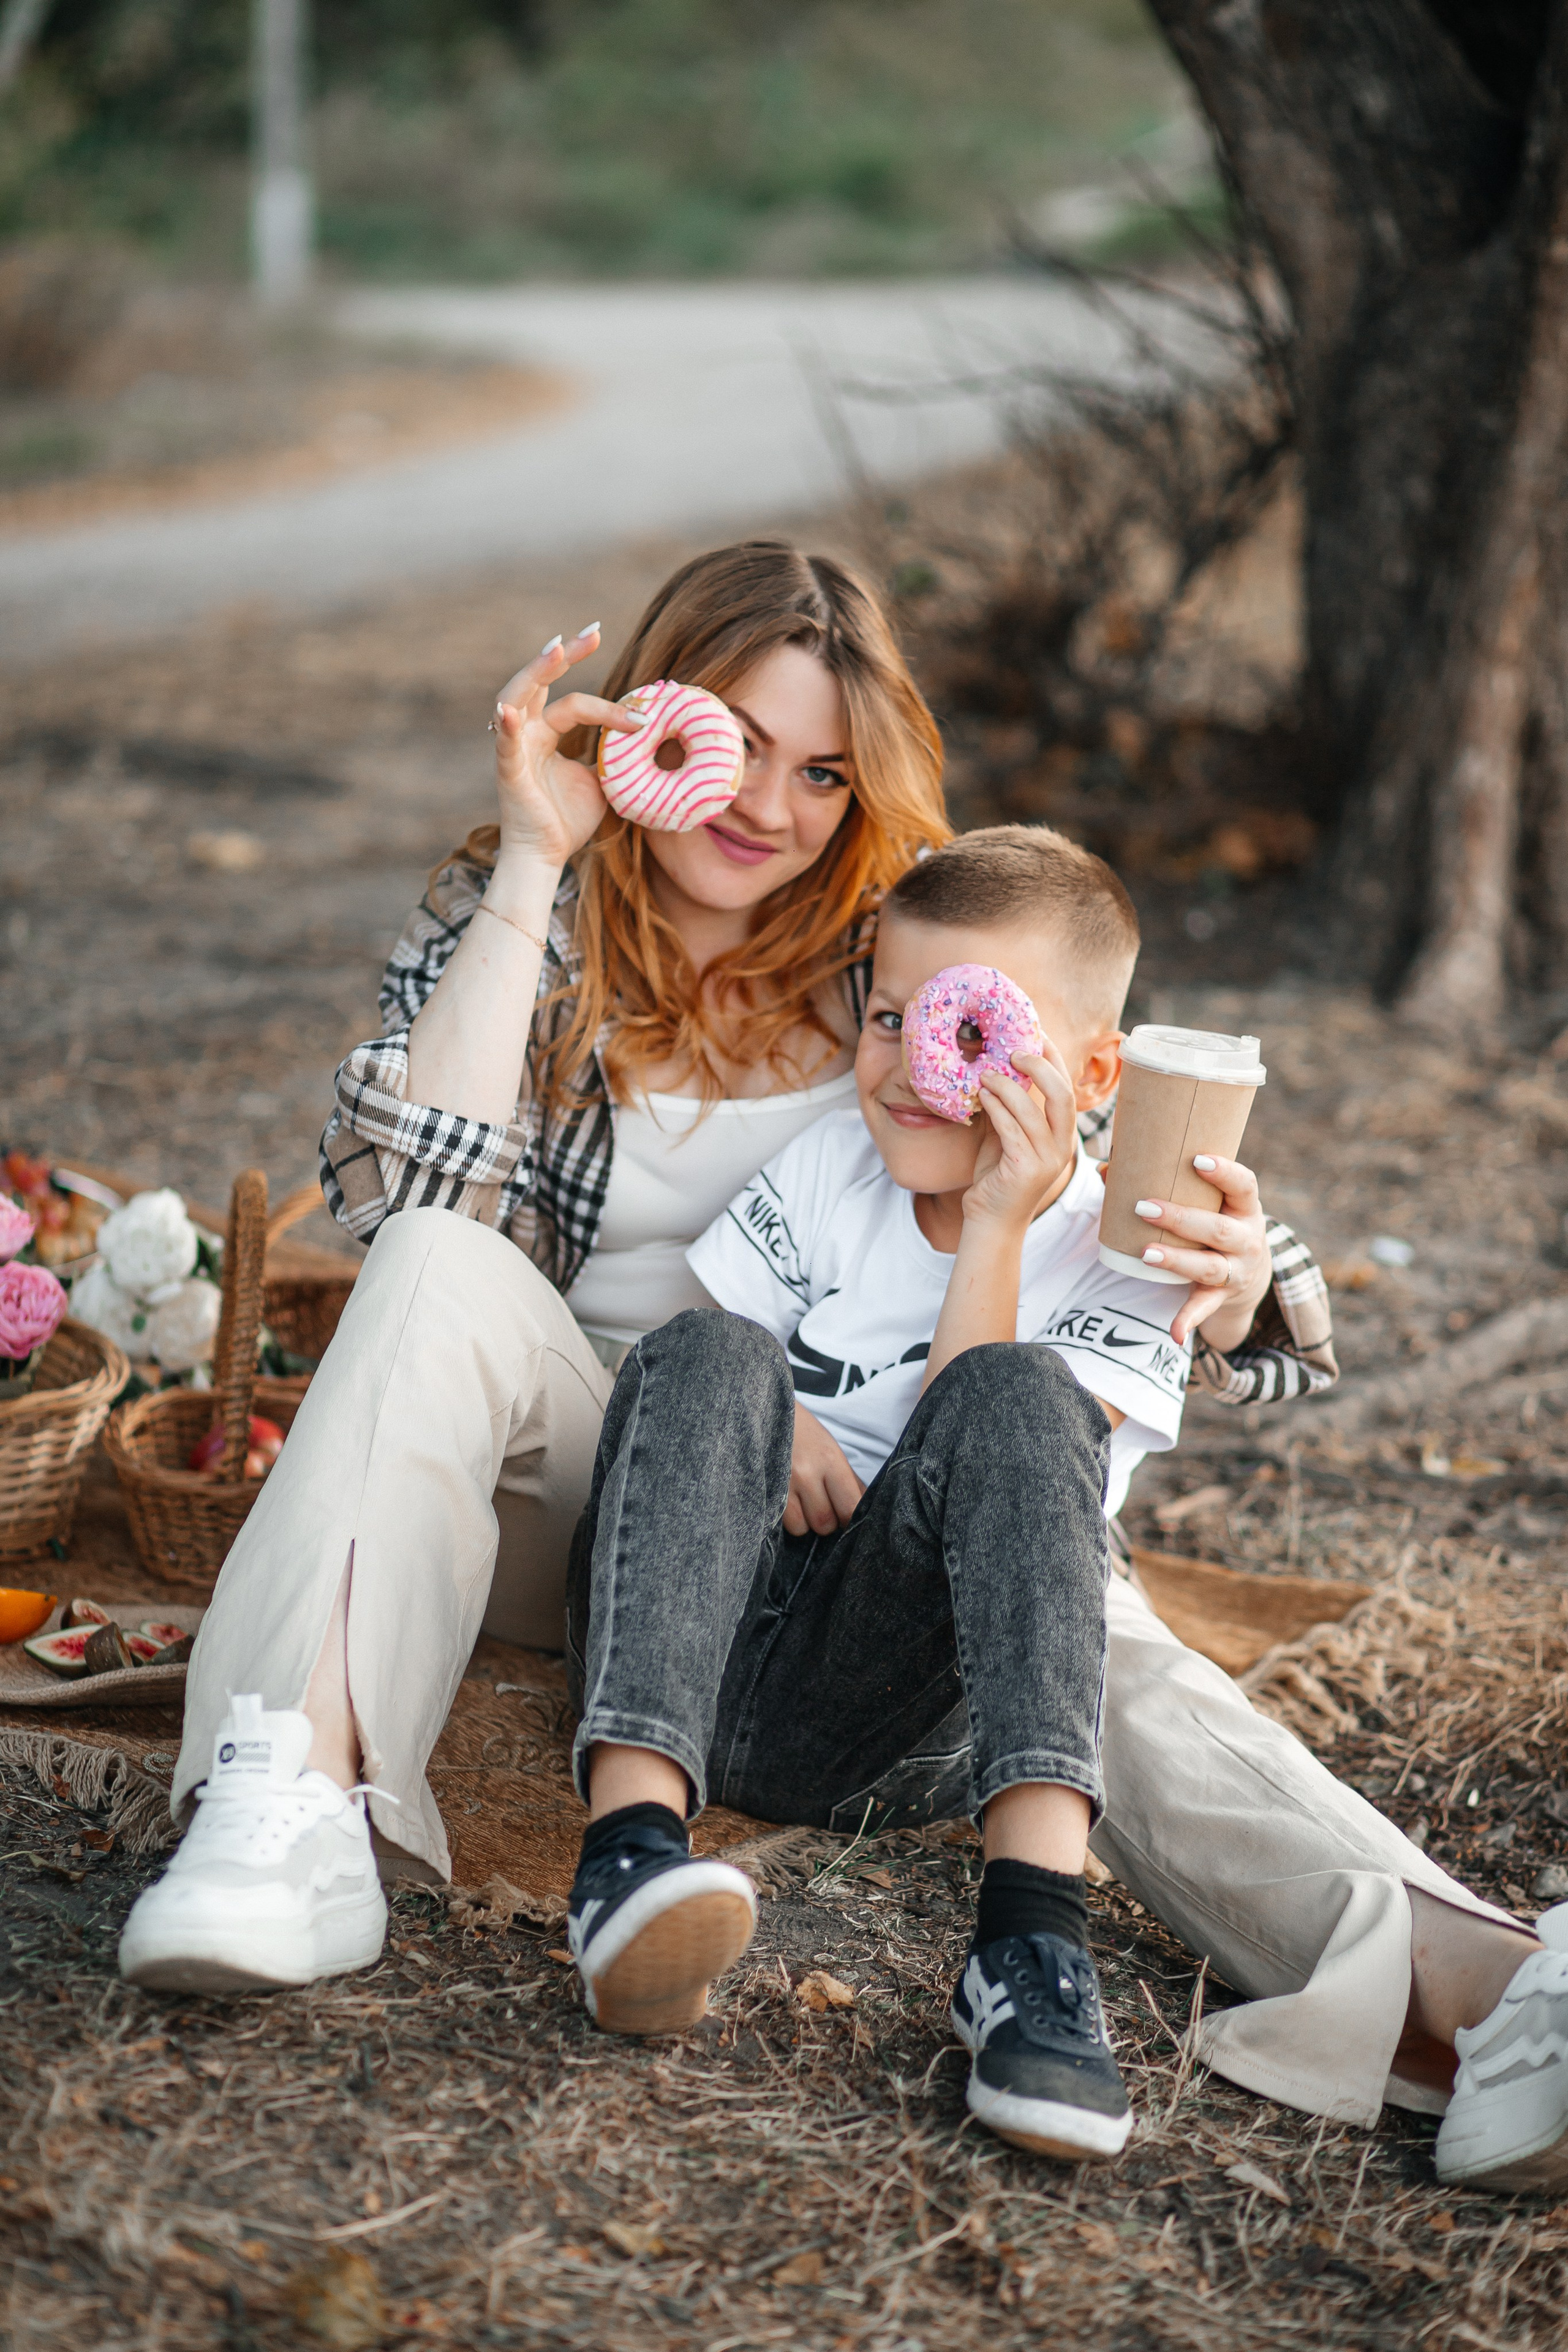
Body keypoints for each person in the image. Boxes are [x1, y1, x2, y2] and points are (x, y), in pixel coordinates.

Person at [114, 541, 1567, 2193]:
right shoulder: (522, 897)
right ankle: (294, 1804)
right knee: (457, 1266)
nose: (775, 812)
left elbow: (1091, 1139)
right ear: (658, 718)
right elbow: (408, 1208)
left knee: (1092, 1634)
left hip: (885, 1470)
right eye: (739, 744)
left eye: (828, 770)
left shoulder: (899, 937)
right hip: (589, 1463)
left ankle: (1491, 1991)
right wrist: (537, 858)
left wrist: (1248, 1281)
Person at [562, 825, 1194, 2163]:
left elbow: (974, 1466)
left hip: (879, 1708)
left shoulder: (1125, 1261)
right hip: (676, 1628)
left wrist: (1004, 1224)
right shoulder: (826, 1172)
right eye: (889, 1018)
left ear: (1088, 1075)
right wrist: (773, 1405)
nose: (914, 1068)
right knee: (710, 1343)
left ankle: (1028, 1945)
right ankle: (626, 1854)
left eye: (968, 1036)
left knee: (1018, 1391)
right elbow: (684, 1386)